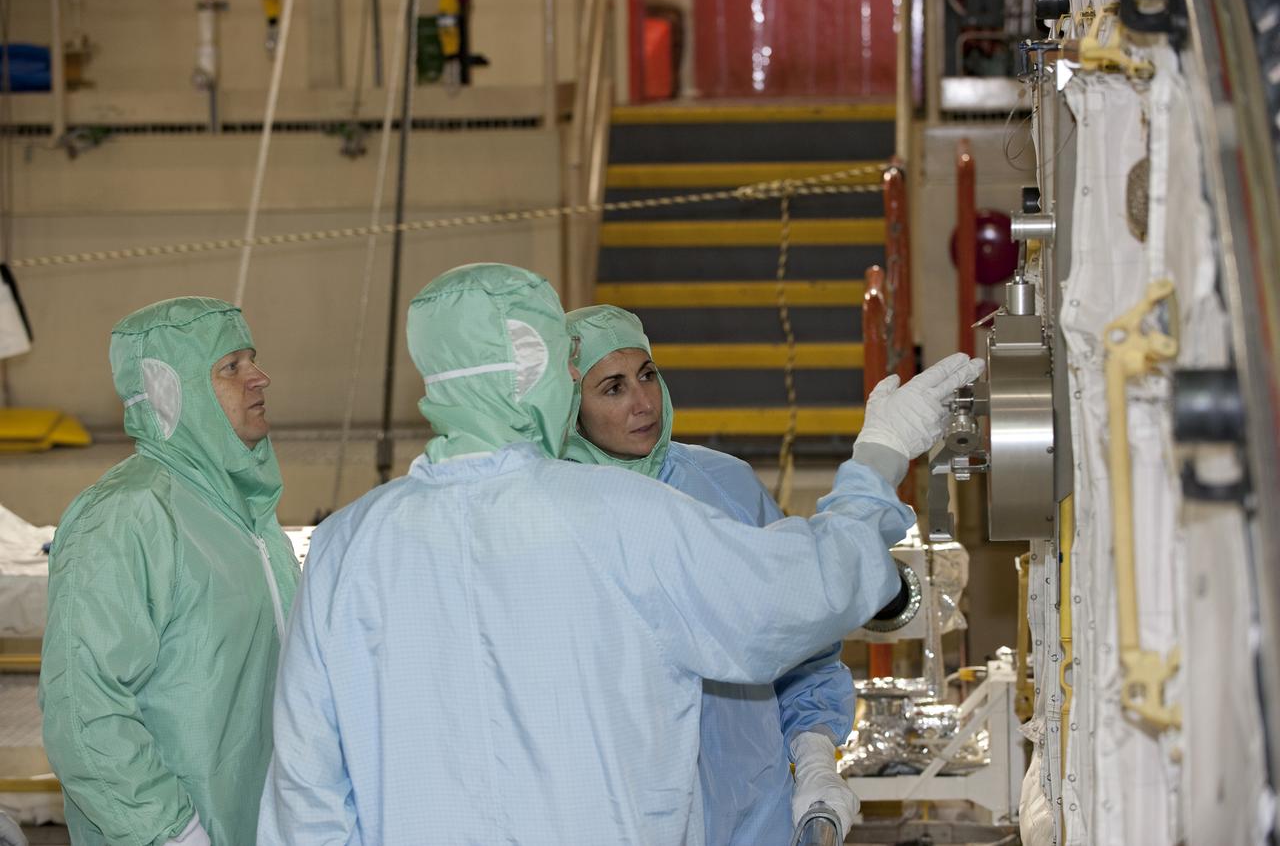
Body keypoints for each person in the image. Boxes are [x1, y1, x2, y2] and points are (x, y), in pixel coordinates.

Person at [258, 263, 982, 845]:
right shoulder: (624, 518)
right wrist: (876, 462)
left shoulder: (345, 548)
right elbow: (805, 590)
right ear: (540, 371)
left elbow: (306, 789)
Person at [565, 303, 858, 844]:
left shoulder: (724, 486)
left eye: (647, 375)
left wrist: (815, 760)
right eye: (613, 388)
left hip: (751, 813)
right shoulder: (557, 513)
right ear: (570, 409)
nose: (643, 401)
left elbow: (800, 638)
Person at [40, 297, 300, 846]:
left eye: (252, 359)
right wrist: (174, 834)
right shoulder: (125, 515)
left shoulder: (250, 517)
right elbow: (84, 709)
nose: (260, 378)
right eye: (231, 367)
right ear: (170, 389)